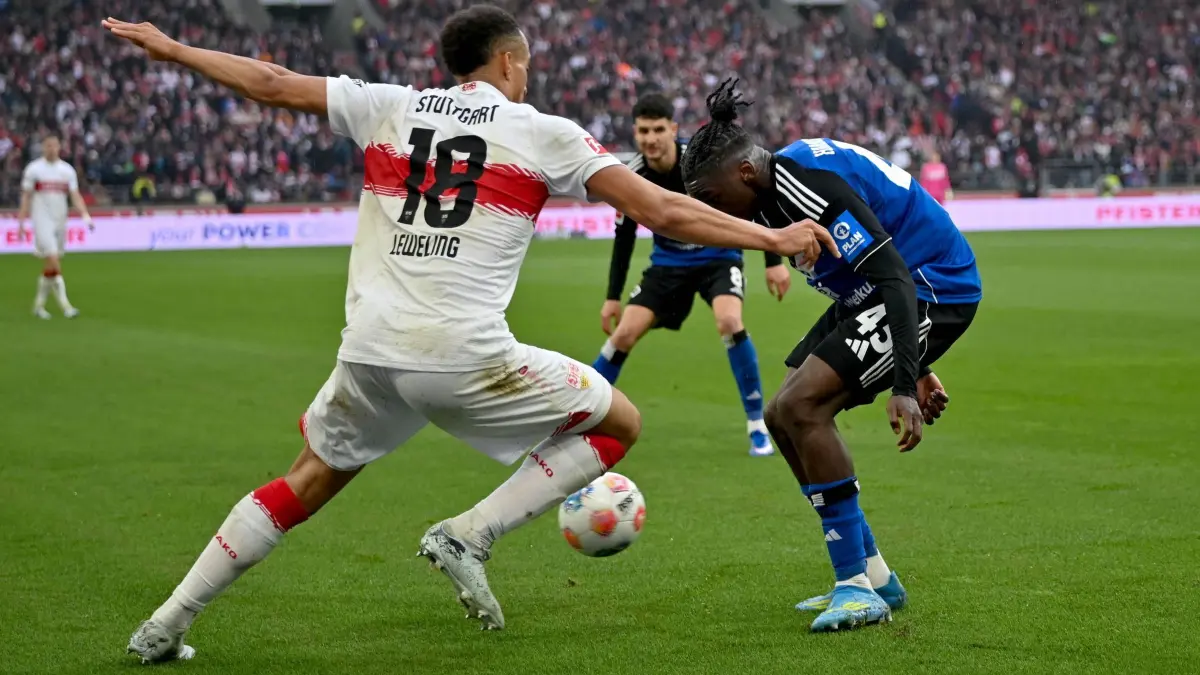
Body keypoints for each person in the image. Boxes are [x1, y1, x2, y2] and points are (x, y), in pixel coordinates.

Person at [103, 10, 836, 663]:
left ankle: (167, 621)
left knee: (305, 479)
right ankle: (471, 532)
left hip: (368, 348)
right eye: (527, 65)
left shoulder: (386, 106)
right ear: (509, 63)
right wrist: (771, 233)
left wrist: (173, 48)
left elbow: (268, 81)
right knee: (619, 423)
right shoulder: (542, 131)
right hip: (463, 353)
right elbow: (665, 213)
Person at [680, 79, 982, 632]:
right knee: (781, 413)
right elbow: (861, 276)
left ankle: (855, 588)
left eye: (712, 196)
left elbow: (894, 274)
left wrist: (903, 381)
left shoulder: (803, 186)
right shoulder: (770, 193)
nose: (712, 211)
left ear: (744, 171)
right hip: (881, 292)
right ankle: (872, 575)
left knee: (803, 407)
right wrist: (916, 361)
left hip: (932, 286)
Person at [592, 93, 792, 457]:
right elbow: (623, 238)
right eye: (642, 131)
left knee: (729, 322)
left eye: (657, 129)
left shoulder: (698, 162)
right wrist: (611, 296)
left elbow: (752, 196)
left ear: (672, 129)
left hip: (718, 256)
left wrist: (774, 260)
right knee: (623, 335)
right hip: (668, 265)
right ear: (635, 134)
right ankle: (581, 416)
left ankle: (756, 426)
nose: (650, 138)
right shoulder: (632, 175)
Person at [16, 135, 94, 319]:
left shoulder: (66, 171)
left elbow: (75, 195)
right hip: (42, 220)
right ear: (43, 147)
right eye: (47, 145)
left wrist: (85, 215)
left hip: (60, 220)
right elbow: (26, 197)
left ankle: (38, 306)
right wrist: (21, 222)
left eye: (54, 145)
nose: (51, 149)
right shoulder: (34, 169)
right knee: (53, 259)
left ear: (59, 147)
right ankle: (66, 306)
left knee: (51, 265)